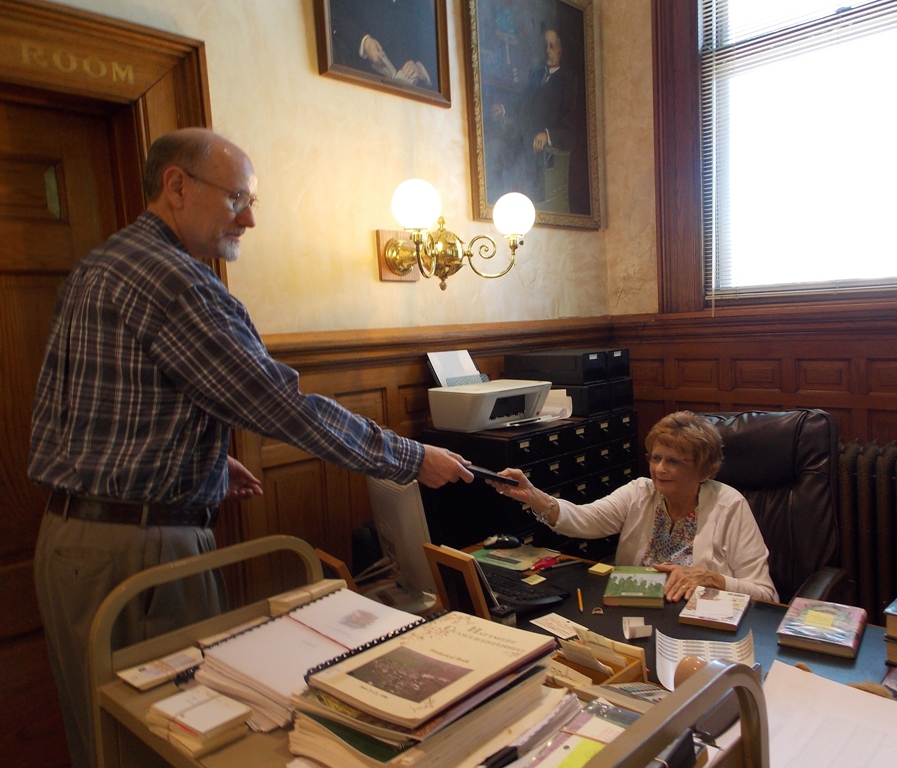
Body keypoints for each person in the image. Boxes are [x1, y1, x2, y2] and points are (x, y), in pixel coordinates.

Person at [28, 127, 472, 768]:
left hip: (71, 541)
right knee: (166, 740)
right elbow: (280, 406)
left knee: (100, 736)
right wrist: (410, 458)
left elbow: (99, 410)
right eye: (238, 198)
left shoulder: (102, 265)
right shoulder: (177, 282)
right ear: (177, 186)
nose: (250, 219)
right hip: (139, 553)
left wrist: (206, 460)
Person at [488, 411, 778, 604]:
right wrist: (532, 495)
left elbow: (766, 595)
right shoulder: (640, 491)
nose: (659, 469)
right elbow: (585, 519)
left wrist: (714, 579)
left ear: (704, 469)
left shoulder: (730, 505)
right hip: (632, 609)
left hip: (697, 619)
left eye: (673, 461)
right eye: (656, 458)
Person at [489, 27, 580, 206]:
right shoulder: (537, 75)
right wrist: (503, 109)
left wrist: (548, 134)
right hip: (519, 140)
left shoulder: (567, 83)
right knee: (493, 149)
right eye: (545, 46)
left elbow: (570, 129)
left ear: (560, 51)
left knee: (520, 169)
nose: (547, 51)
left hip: (539, 152)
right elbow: (522, 102)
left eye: (552, 46)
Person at [330, 0, 438, 88]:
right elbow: (336, 14)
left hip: (413, 94)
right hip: (364, 83)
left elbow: (432, 39)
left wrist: (420, 68)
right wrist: (365, 41)